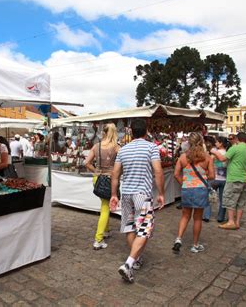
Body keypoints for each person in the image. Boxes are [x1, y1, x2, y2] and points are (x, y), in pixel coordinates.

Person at [109, 119, 165, 283]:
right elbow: (158, 171)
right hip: (142, 194)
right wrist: (161, 193)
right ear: (146, 131)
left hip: (126, 193)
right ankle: (129, 263)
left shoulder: (123, 150)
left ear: (131, 132)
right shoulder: (151, 147)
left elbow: (115, 174)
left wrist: (114, 194)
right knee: (144, 229)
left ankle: (137, 259)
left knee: (129, 227)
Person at [172, 133, 214, 254]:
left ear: (189, 143)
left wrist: (184, 183)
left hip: (187, 189)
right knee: (197, 218)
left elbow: (176, 174)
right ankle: (195, 245)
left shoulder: (183, 157)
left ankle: (178, 238)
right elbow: (212, 176)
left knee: (185, 216)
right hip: (200, 189)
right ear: (201, 142)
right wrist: (203, 173)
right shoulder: (207, 157)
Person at [84, 123, 120, 250]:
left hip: (97, 179)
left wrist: (96, 171)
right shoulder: (116, 147)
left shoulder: (96, 146)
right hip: (110, 180)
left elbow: (87, 163)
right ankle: (98, 239)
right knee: (105, 208)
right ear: (114, 132)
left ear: (104, 132)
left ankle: (106, 231)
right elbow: (121, 166)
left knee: (104, 205)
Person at [211, 132, 246, 230]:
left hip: (234, 178)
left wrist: (214, 151)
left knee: (230, 200)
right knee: (241, 202)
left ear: (237, 139)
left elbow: (222, 158)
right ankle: (237, 222)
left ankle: (231, 222)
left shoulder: (235, 148)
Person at [211, 137, 229, 223]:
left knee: (209, 196)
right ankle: (220, 217)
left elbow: (210, 163)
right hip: (224, 179)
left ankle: (206, 215)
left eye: (217, 142)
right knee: (223, 199)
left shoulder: (215, 153)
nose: (215, 143)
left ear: (221, 143)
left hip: (214, 178)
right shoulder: (228, 153)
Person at [202, 136, 216, 222]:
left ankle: (206, 216)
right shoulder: (209, 151)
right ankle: (205, 215)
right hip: (210, 175)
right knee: (207, 195)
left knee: (207, 195)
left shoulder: (213, 152)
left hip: (210, 175)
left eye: (206, 141)